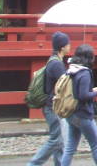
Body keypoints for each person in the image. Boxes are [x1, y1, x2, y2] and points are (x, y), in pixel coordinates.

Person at [27, 31, 71, 166]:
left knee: (60, 140)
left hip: (51, 106)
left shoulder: (53, 60)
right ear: (62, 47)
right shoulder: (57, 64)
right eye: (68, 44)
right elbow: (65, 84)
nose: (70, 46)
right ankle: (33, 164)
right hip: (53, 107)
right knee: (56, 140)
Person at [61, 44, 97, 166]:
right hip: (83, 114)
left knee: (70, 148)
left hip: (71, 112)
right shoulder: (85, 73)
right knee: (96, 145)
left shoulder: (71, 69)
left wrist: (91, 90)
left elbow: (77, 91)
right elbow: (82, 96)